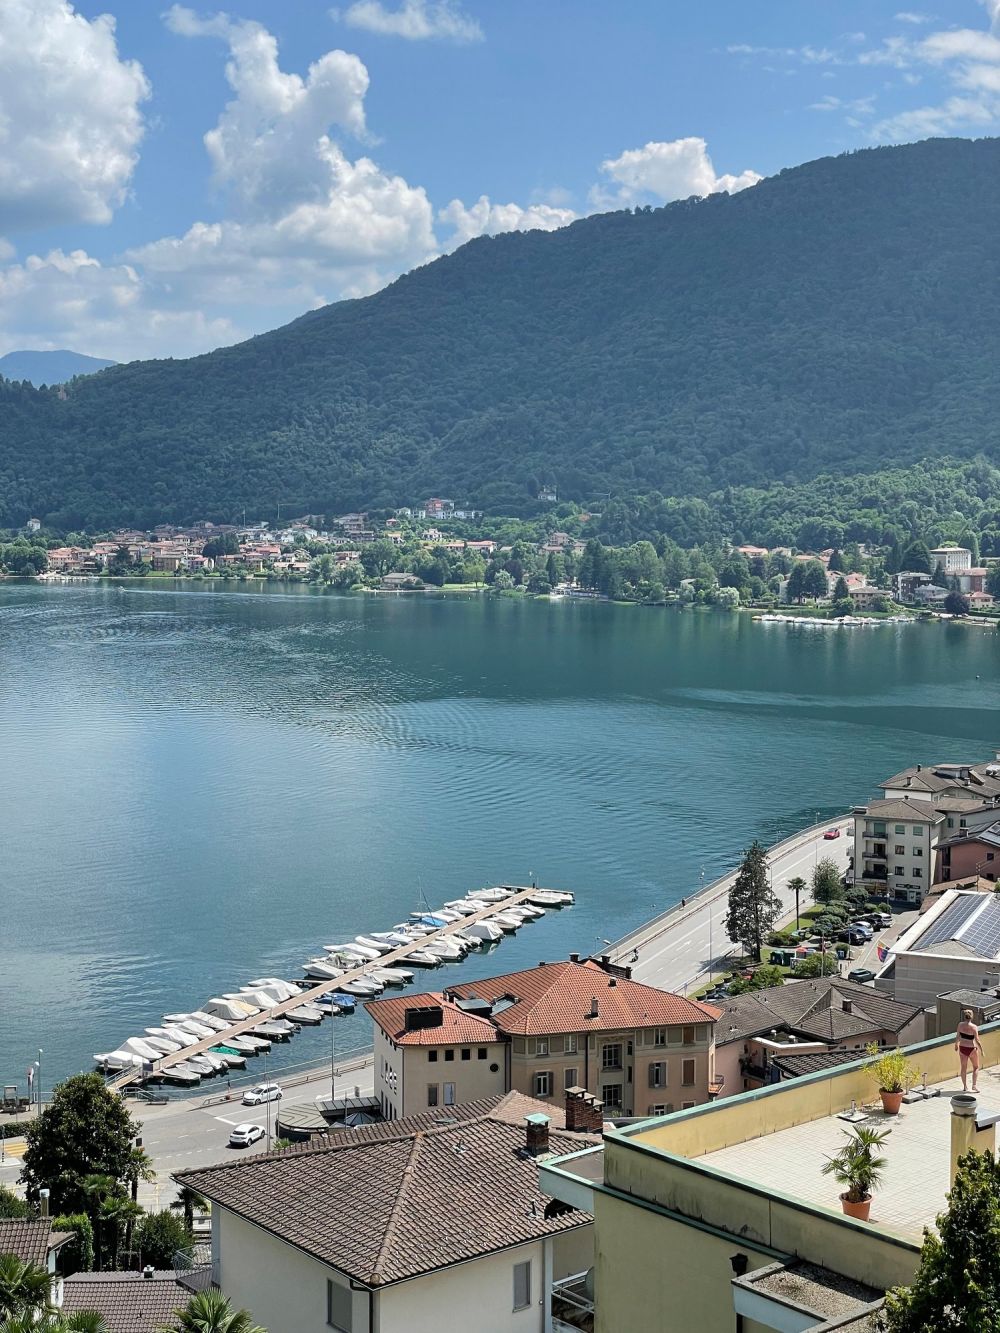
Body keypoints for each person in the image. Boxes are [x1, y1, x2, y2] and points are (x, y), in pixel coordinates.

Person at [956, 1009, 984, 1092]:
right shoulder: (974, 1027)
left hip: (962, 1048)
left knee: (963, 1068)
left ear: (964, 1016)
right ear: (972, 1017)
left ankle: (965, 1086)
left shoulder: (960, 1025)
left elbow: (957, 1036)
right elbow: (977, 1040)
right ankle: (974, 1085)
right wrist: (982, 1050)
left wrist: (956, 1044)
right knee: (976, 1067)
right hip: (972, 1048)